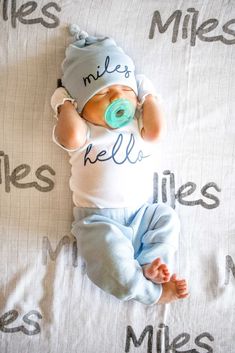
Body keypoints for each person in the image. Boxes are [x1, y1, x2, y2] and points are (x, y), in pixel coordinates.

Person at [51, 24, 189, 305]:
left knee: (167, 217)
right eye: (100, 94)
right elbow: (70, 135)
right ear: (81, 107)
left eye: (123, 89)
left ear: (135, 97)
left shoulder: (138, 126)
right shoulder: (85, 131)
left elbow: (157, 132)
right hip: (99, 222)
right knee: (111, 262)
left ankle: (152, 264)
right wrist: (63, 101)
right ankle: (151, 293)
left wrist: (147, 94)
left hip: (142, 214)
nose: (115, 97)